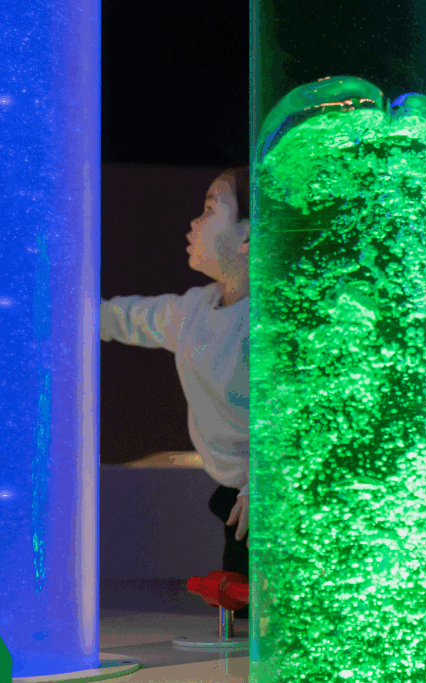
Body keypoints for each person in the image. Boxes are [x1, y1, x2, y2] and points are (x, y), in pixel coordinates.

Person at [100, 167, 252, 614]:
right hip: (235, 497)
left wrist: (265, 484)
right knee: (239, 606)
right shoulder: (193, 311)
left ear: (248, 236)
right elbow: (125, 318)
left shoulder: (273, 322)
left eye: (208, 210)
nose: (193, 224)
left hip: (280, 492)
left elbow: (299, 416)